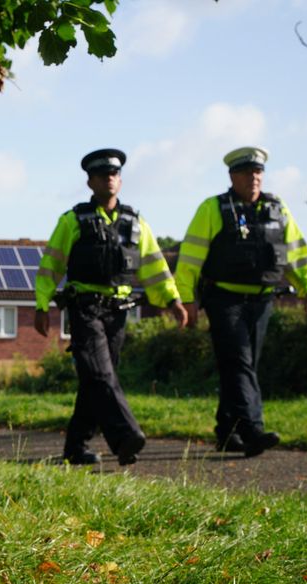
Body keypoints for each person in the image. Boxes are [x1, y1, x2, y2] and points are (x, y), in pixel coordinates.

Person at [34, 148, 187, 466]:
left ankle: (75, 448)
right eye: (103, 174)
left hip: (119, 312)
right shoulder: (73, 220)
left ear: (120, 179)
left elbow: (155, 266)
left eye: (114, 174)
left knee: (96, 379)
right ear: (90, 182)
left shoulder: (135, 222)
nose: (110, 179)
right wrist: (41, 305)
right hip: (84, 309)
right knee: (101, 374)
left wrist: (173, 300)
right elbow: (51, 266)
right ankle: (126, 437)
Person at [175, 146, 307, 457]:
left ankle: (227, 431)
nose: (253, 177)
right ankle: (252, 429)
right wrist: (186, 298)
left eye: (258, 171)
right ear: (232, 176)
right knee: (239, 361)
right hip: (224, 299)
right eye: (245, 172)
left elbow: (296, 253)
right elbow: (189, 259)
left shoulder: (277, 209)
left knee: (241, 365)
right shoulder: (212, 209)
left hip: (262, 301)